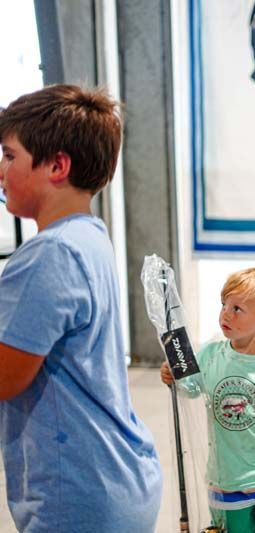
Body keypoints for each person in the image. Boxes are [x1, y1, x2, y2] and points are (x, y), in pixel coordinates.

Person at [0, 85, 162, 531]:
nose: (1, 170)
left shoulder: (49, 254)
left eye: (10, 156)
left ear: (57, 165)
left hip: (78, 495)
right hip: (116, 479)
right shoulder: (87, 234)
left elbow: (6, 378)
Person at [160, 268, 255, 533]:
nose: (226, 314)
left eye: (237, 309)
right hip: (227, 479)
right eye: (224, 305)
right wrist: (172, 373)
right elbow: (189, 387)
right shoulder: (209, 356)